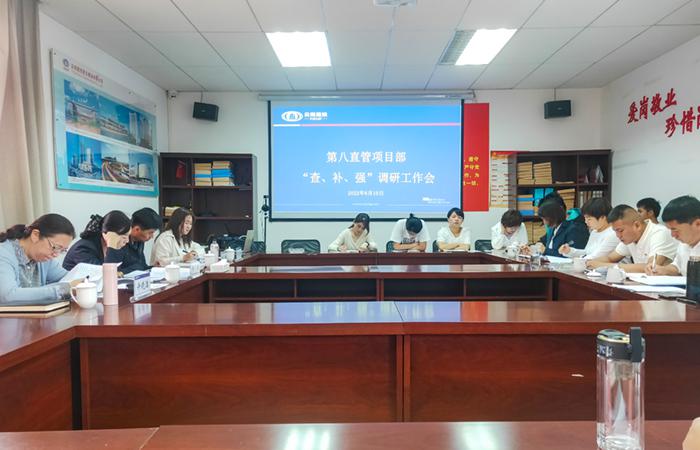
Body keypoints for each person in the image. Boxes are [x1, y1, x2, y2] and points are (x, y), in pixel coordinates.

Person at [0, 214, 76, 303]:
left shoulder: (44, 259)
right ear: (35, 235)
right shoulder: (3, 253)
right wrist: (58, 291)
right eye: (55, 247)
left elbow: (70, 280)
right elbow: (7, 295)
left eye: (62, 250)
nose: (56, 254)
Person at [588, 204, 677, 273]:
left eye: (620, 231)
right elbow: (610, 258)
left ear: (637, 225)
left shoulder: (659, 233)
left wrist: (604, 266)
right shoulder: (630, 238)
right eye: (615, 231)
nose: (618, 236)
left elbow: (651, 267)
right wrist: (589, 263)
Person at [645, 195, 700, 276]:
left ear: (698, 224)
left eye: (675, 229)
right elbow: (677, 267)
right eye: (670, 230)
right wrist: (662, 269)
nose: (673, 235)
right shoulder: (684, 243)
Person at [63, 211, 131, 271]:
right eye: (124, 237)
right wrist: (111, 245)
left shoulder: (117, 247)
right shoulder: (83, 248)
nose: (127, 241)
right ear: (107, 234)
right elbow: (103, 275)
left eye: (128, 236)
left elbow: (119, 270)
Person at [121, 208, 162, 274]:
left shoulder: (139, 241)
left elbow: (142, 266)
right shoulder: (120, 241)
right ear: (137, 229)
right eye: (150, 233)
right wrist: (138, 267)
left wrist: (153, 267)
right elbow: (117, 272)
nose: (152, 236)